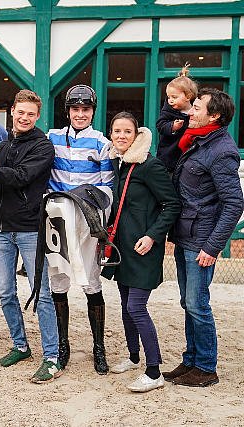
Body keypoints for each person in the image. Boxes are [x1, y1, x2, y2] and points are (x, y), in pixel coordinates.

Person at [163, 88, 244, 387]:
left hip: (201, 241)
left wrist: (212, 247)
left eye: (197, 107)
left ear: (214, 116)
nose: (191, 111)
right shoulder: (197, 140)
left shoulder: (221, 151)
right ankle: (191, 361)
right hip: (186, 234)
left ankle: (206, 368)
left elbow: (234, 203)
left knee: (198, 304)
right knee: (188, 302)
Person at [0, 89, 62, 383]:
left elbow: (20, 177)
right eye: (21, 112)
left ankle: (51, 357)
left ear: (37, 116)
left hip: (29, 229)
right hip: (0, 230)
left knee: (42, 294)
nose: (24, 117)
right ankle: (20, 346)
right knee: (5, 292)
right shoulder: (4, 145)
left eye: (31, 114)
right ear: (12, 111)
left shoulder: (43, 147)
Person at [101, 112, 181, 392]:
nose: (121, 136)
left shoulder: (149, 165)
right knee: (126, 306)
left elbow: (172, 204)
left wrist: (152, 236)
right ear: (111, 134)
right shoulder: (119, 163)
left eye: (127, 131)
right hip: (122, 248)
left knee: (136, 307)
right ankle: (134, 356)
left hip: (144, 248)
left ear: (137, 135)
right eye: (117, 131)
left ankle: (154, 371)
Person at [46, 84, 114, 375]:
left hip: (87, 219)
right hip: (57, 218)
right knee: (58, 281)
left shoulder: (102, 143)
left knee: (90, 282)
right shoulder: (51, 137)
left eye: (86, 109)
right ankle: (63, 346)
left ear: (92, 112)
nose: (80, 114)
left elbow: (107, 188)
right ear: (68, 111)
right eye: (75, 109)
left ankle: (99, 348)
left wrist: (88, 209)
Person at [156, 65, 198, 173]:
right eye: (168, 97)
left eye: (174, 97)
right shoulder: (168, 110)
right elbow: (160, 125)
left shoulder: (196, 111)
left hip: (188, 158)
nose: (170, 100)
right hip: (168, 156)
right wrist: (172, 127)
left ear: (188, 97)